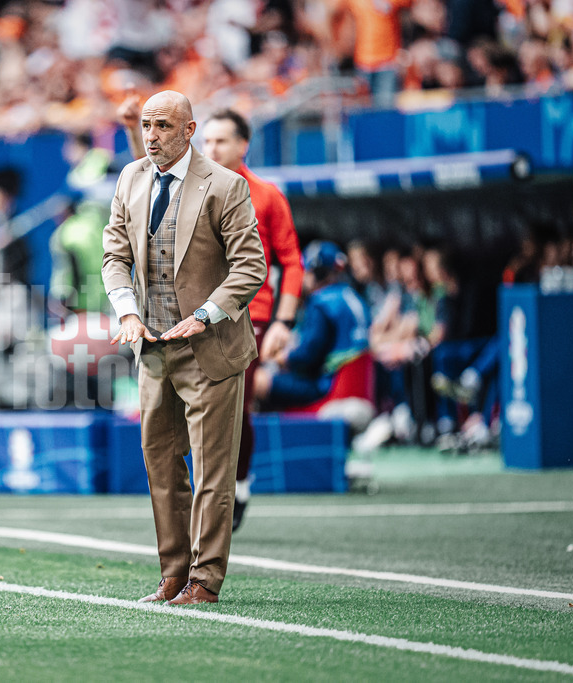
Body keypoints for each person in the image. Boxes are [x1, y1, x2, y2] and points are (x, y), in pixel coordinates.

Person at [102, 90, 266, 605]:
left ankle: (205, 578)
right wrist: (127, 310)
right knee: (160, 466)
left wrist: (204, 316)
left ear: (189, 130)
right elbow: (113, 252)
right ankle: (172, 574)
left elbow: (251, 266)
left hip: (210, 347)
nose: (151, 135)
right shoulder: (130, 178)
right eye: (146, 125)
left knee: (213, 472)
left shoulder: (226, 186)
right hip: (152, 348)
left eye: (163, 126)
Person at [200, 108, 304, 532]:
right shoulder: (189, 191)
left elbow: (292, 262)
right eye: (206, 141)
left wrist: (284, 321)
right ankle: (207, 490)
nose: (211, 149)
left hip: (250, 315)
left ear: (243, 145)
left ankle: (238, 485)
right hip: (196, 315)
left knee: (235, 407)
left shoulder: (266, 195)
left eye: (221, 141)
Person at [255, 241, 371, 411]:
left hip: (327, 388)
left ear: (317, 272)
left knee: (257, 380)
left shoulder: (321, 302)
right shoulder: (352, 296)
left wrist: (281, 359)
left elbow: (308, 355)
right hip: (357, 388)